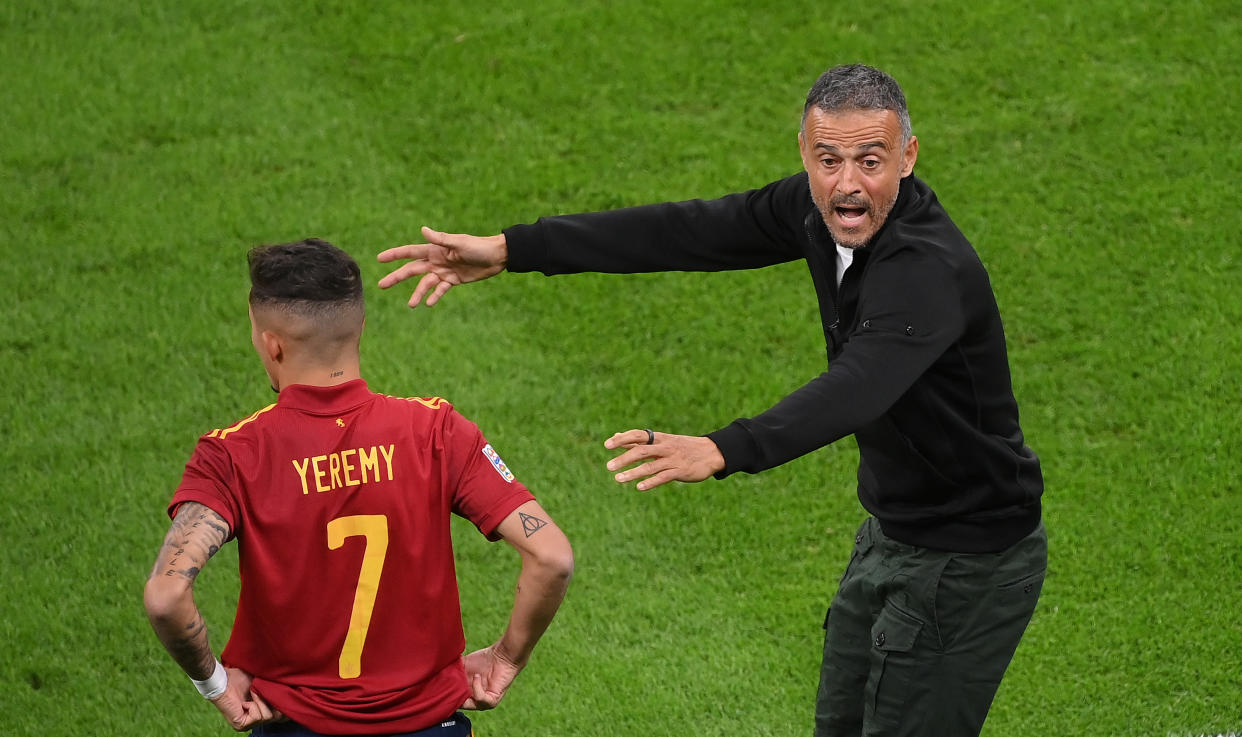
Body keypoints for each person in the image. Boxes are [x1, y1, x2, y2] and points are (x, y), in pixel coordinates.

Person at [376, 64, 1046, 736]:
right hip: (892, 534)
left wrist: (726, 448)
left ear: (908, 157)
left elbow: (859, 387)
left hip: (967, 561)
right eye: (828, 160)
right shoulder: (815, 214)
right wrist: (514, 248)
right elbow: (691, 231)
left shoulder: (928, 271)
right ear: (805, 157)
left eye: (871, 161)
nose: (848, 183)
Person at [144, 238, 573, 736]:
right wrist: (504, 658)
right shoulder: (436, 431)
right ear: (359, 329)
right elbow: (552, 557)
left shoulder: (234, 454)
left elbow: (166, 595)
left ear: (271, 342)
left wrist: (215, 684)